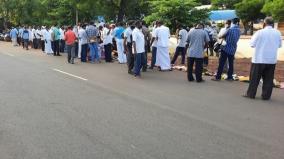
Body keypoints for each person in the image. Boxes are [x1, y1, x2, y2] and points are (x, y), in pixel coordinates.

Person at [244, 17, 282, 100]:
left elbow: (252, 44)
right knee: (268, 79)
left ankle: (251, 94)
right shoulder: (278, 33)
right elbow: (279, 45)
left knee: (254, 78)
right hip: (271, 60)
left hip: (259, 59)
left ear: (264, 23)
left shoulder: (259, 32)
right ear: (273, 24)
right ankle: (266, 96)